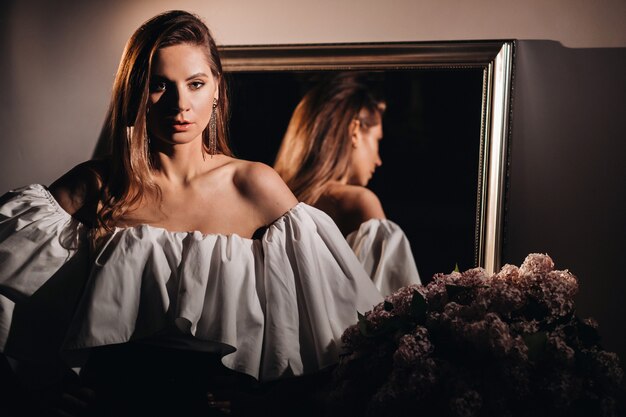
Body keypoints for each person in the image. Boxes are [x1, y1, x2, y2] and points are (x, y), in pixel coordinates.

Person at [0, 11, 382, 416]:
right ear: (136, 91)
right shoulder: (98, 184)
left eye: (196, 84)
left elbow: (343, 331)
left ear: (216, 88)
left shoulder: (254, 186)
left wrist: (271, 402)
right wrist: (39, 389)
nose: (181, 104)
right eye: (159, 85)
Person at [274, 73, 422, 296]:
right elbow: (392, 312)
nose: (378, 159)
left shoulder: (276, 200)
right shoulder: (359, 202)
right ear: (355, 132)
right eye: (377, 140)